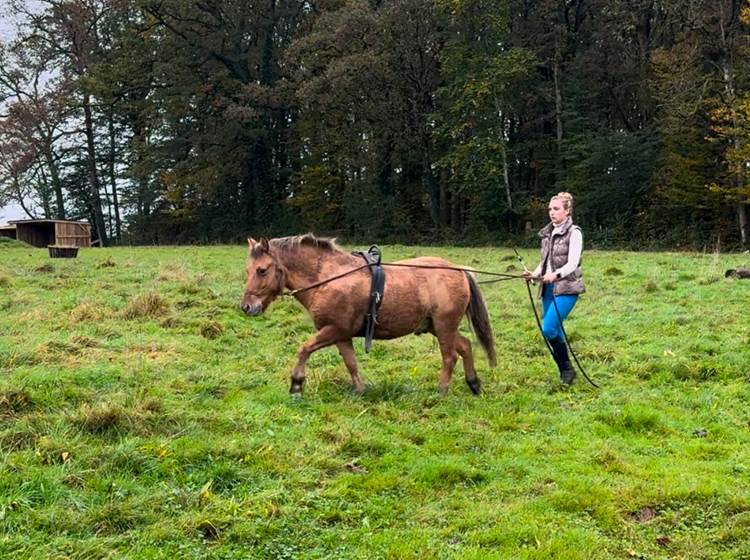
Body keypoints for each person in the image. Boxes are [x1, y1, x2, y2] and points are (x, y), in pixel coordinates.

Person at [522, 192, 585, 385]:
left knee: (548, 329)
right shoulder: (547, 234)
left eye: (556, 209)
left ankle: (566, 369)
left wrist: (555, 275)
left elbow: (573, 263)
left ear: (567, 211)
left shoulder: (574, 233)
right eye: (550, 208)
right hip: (548, 290)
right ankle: (566, 372)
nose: (552, 212)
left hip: (567, 289)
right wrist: (534, 275)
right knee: (553, 330)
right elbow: (545, 263)